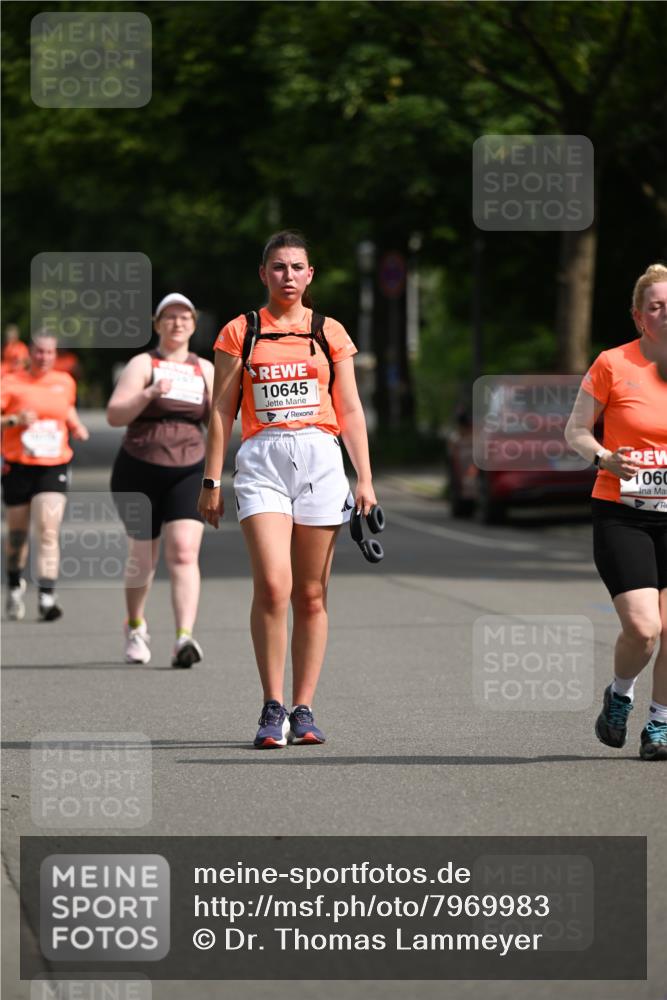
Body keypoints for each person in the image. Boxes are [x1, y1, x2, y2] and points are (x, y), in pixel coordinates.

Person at [198, 231, 377, 748]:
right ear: (264, 274)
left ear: (310, 274)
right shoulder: (241, 331)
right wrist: (211, 479)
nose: (288, 276)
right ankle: (271, 706)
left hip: (321, 458)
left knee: (312, 594)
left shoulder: (329, 331)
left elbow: (350, 408)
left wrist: (365, 478)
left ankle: (304, 708)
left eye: (297, 267)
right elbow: (221, 410)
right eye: (278, 267)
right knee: (275, 587)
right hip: (263, 461)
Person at [565, 263, 667, 761]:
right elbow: (576, 431)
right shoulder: (613, 363)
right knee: (645, 628)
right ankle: (620, 694)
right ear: (638, 316)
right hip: (622, 512)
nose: (665, 314)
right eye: (656, 307)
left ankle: (659, 726)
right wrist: (604, 457)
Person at [107, 293, 213, 668]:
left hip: (189, 468)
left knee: (184, 551)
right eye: (169, 317)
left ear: (194, 325)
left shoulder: (204, 369)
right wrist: (150, 393)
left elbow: (219, 422)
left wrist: (217, 474)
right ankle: (135, 626)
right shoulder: (144, 363)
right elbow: (115, 415)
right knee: (144, 558)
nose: (177, 323)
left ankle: (184, 637)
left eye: (184, 317)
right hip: (139, 469)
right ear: (157, 324)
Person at [1, 331, 89, 621]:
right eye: (39, 351)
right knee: (17, 535)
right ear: (30, 352)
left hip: (54, 464)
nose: (44, 357)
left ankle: (47, 597)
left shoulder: (65, 382)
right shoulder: (10, 382)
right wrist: (14, 420)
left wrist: (76, 426)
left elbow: (67, 408)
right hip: (18, 465)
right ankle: (14, 585)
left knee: (48, 530)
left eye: (50, 352)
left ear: (55, 354)